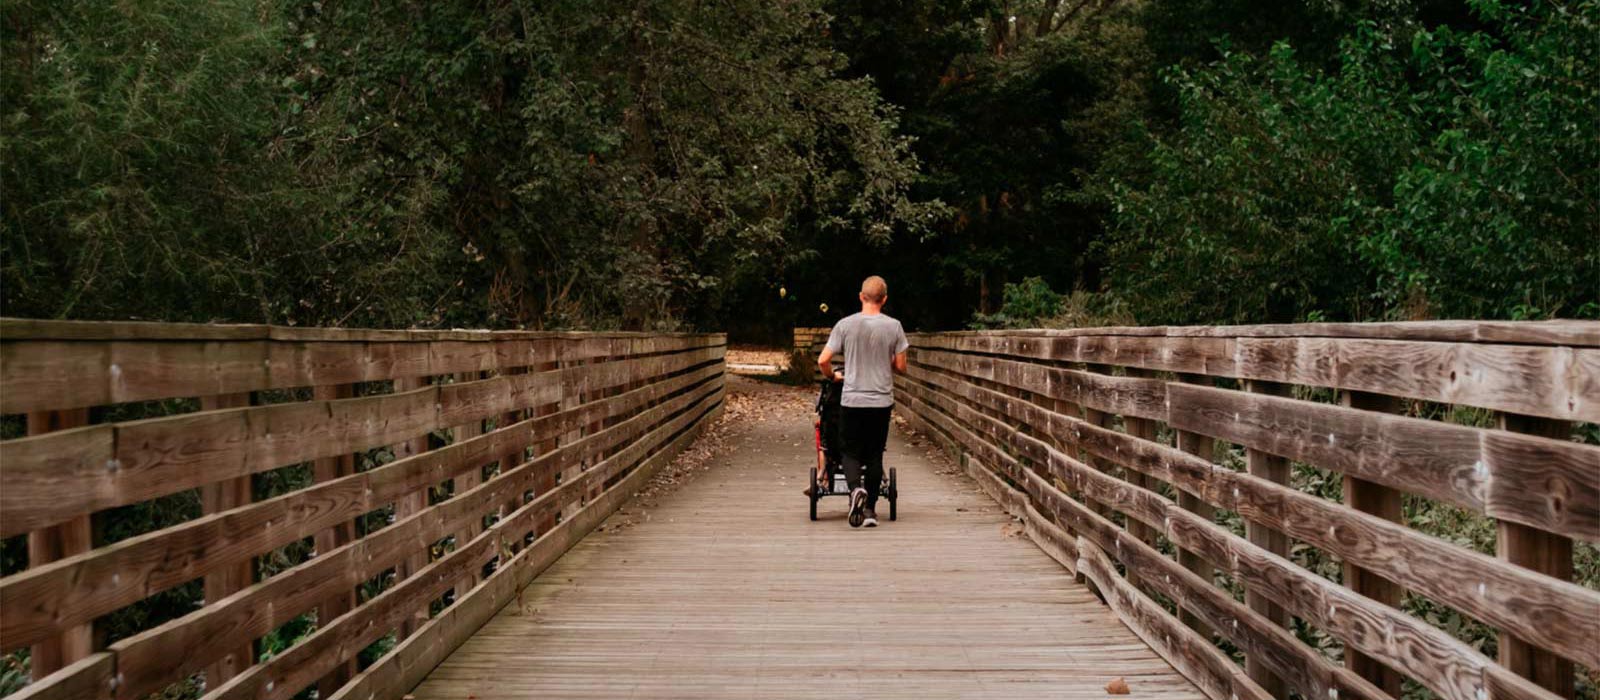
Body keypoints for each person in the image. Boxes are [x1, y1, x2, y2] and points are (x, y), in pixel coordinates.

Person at [816, 275, 909, 528]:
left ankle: (856, 489)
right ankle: (869, 511)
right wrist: (884, 358)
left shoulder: (845, 325)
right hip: (880, 401)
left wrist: (834, 376)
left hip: (852, 399)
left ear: (861, 296)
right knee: (875, 453)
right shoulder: (895, 326)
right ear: (885, 299)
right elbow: (901, 366)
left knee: (849, 451)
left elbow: (823, 361)